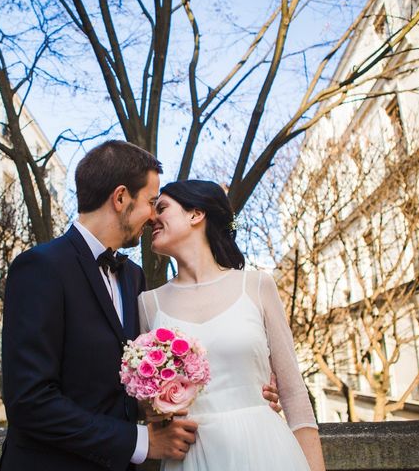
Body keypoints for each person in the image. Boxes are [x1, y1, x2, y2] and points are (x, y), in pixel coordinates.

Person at [0, 141, 281, 471]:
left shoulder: (133, 278)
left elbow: (148, 375)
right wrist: (141, 442)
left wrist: (246, 389)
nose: (152, 217)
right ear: (120, 198)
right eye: (151, 202)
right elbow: (30, 400)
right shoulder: (40, 267)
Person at [139, 180, 326, 471]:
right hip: (191, 458)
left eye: (161, 208)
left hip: (265, 450)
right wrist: (157, 419)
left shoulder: (257, 286)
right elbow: (148, 403)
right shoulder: (149, 304)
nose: (152, 220)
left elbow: (294, 395)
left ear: (195, 214)